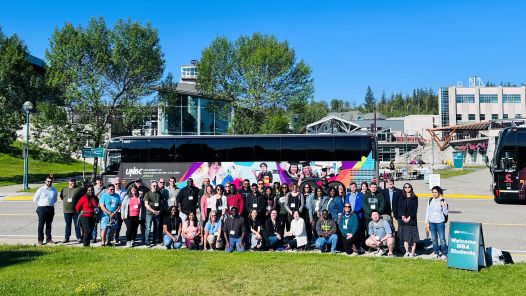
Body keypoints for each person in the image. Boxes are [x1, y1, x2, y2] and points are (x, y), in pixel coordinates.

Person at [425, 186, 448, 259]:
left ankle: (444, 253)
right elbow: (427, 211)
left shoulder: (442, 200)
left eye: (436, 192)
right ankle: (436, 252)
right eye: (433, 192)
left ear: (439, 193)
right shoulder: (430, 200)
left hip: (440, 222)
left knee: (442, 239)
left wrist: (443, 206)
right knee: (434, 239)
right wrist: (426, 221)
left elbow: (446, 213)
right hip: (432, 222)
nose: (434, 194)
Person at [33, 177, 58, 245]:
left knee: (49, 224)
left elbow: (55, 199)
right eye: (48, 181)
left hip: (50, 208)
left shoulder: (54, 190)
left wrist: (50, 204)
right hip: (42, 208)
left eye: (51, 181)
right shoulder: (41, 189)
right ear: (45, 181)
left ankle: (49, 239)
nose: (49, 183)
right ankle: (40, 240)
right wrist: (41, 204)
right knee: (41, 225)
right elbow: (35, 199)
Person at [398, 183, 419, 257]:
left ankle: (412, 252)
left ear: (411, 188)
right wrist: (403, 217)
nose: (407, 188)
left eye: (408, 187)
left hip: (412, 220)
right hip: (403, 220)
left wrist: (409, 218)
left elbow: (415, 210)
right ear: (404, 188)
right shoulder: (401, 197)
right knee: (406, 238)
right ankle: (407, 252)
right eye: (405, 187)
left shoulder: (415, 197)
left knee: (413, 238)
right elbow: (399, 208)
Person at [60, 177, 83, 243]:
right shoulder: (64, 189)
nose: (73, 182)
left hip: (76, 211)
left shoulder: (79, 189)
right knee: (67, 224)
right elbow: (62, 197)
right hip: (66, 211)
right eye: (72, 181)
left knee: (77, 224)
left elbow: (82, 198)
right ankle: (66, 238)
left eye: (74, 181)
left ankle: (78, 237)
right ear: (69, 182)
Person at [144, 181, 162, 246]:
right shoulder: (147, 194)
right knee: (148, 228)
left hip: (157, 214)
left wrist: (159, 211)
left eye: (156, 186)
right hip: (149, 214)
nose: (155, 187)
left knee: (156, 228)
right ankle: (147, 241)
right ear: (151, 186)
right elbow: (146, 205)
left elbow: (161, 204)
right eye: (154, 186)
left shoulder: (159, 193)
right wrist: (153, 211)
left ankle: (154, 240)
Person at [113, 178, 127, 244]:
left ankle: (128, 238)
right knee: (117, 225)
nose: (118, 185)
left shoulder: (124, 190)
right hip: (116, 211)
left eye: (119, 184)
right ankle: (116, 237)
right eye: (116, 184)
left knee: (127, 225)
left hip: (124, 211)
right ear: (114, 184)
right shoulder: (113, 191)